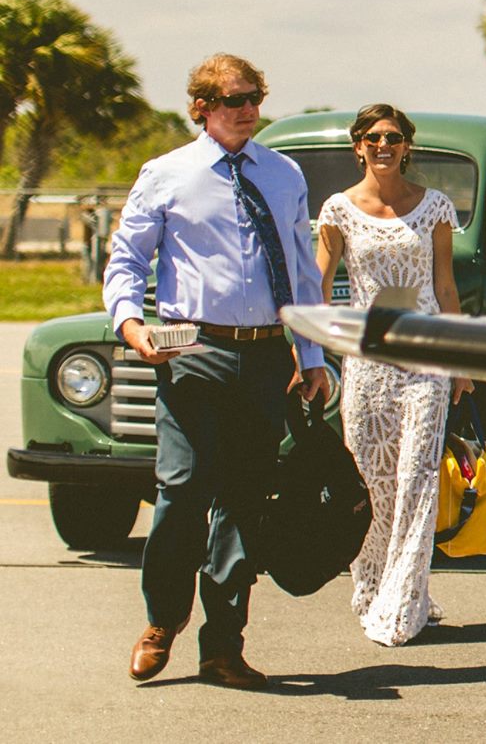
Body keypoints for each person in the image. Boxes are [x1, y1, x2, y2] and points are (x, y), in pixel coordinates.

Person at [105, 53, 333, 691]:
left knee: (243, 499)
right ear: (201, 107)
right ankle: (161, 620)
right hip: (190, 350)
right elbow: (126, 261)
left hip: (264, 355)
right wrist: (132, 324)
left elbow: (302, 273)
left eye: (255, 97)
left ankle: (224, 647)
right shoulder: (167, 174)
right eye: (234, 99)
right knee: (181, 490)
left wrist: (310, 356)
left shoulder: (284, 175)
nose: (248, 110)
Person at [314, 103, 472, 647]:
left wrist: (461, 362)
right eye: (373, 137)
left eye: (394, 137)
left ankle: (403, 601)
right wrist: (306, 354)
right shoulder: (337, 211)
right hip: (367, 364)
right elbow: (319, 283)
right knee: (375, 483)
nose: (384, 145)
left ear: (407, 146)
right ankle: (374, 585)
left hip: (425, 358)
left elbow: (445, 287)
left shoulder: (435, 209)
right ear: (358, 146)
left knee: (419, 476)